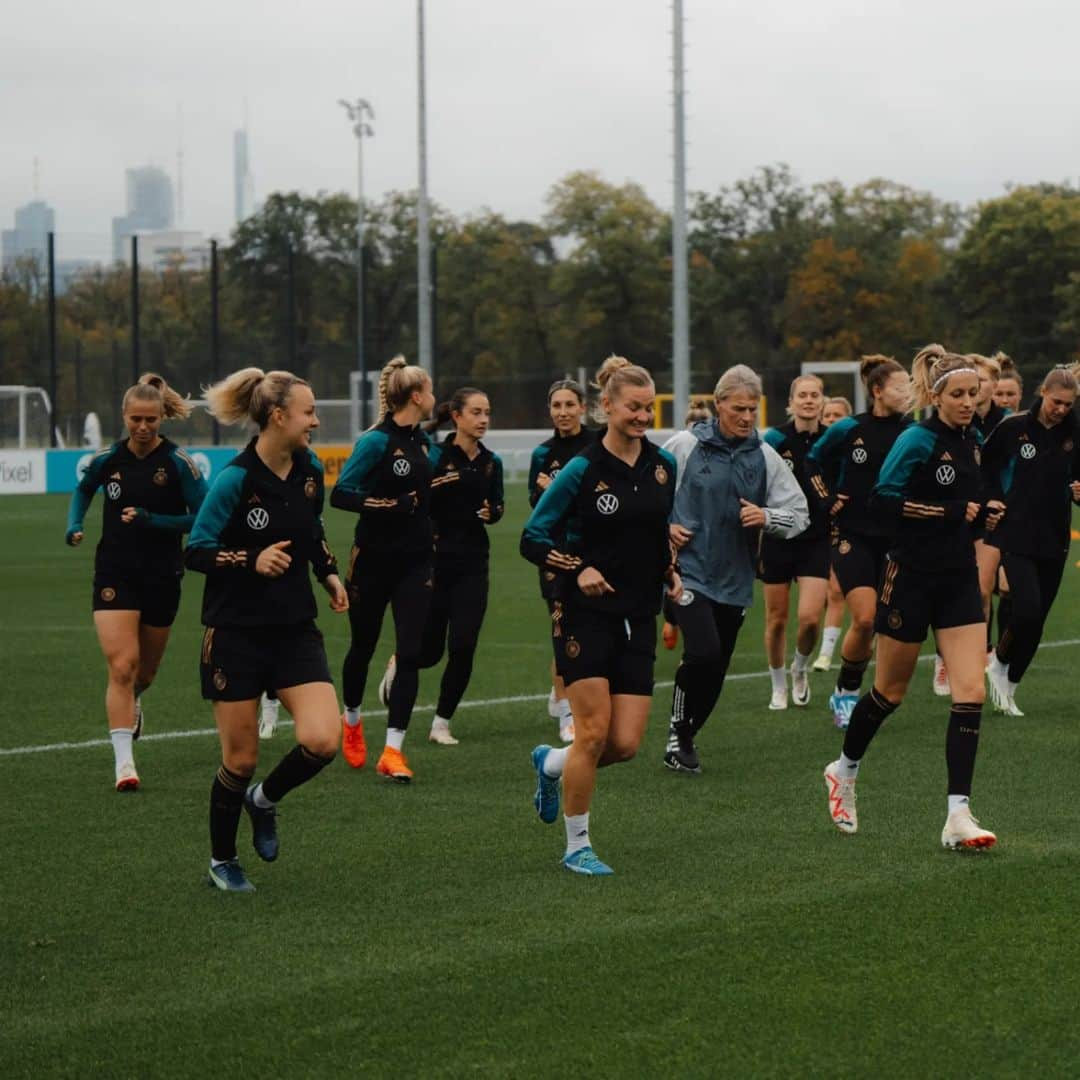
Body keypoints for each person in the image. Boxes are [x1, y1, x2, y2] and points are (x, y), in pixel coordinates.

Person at [823, 346, 1004, 850]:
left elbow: (969, 504)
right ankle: (843, 770)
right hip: (909, 579)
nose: (969, 402)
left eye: (973, 393)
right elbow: (884, 498)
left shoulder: (974, 441)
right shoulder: (917, 439)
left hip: (959, 581)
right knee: (889, 695)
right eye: (959, 394)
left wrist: (986, 512)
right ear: (937, 396)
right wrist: (949, 513)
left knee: (969, 695)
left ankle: (958, 816)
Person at [186, 368, 347, 892]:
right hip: (235, 633)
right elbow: (196, 550)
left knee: (323, 740)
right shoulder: (235, 479)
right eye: (309, 412)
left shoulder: (306, 470)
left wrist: (327, 573)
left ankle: (264, 800)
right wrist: (248, 560)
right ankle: (222, 860)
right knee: (241, 757)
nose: (316, 421)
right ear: (278, 417)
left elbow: (312, 529)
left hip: (294, 629)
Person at [521, 356, 681, 875]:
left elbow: (656, 530)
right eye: (633, 407)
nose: (642, 416)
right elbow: (533, 538)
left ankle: (550, 765)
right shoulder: (581, 469)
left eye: (648, 408)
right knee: (591, 734)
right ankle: (577, 846)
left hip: (639, 613)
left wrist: (669, 571)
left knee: (626, 745)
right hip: (584, 614)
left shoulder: (663, 466)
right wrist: (581, 567)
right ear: (606, 407)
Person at [661, 365, 809, 773]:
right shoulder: (684, 445)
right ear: (718, 403)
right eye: (738, 408)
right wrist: (665, 527)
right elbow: (649, 490)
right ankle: (678, 729)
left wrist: (766, 517)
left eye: (752, 410)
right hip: (688, 572)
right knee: (703, 651)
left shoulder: (764, 455)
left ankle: (686, 735)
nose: (746, 417)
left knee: (718, 666)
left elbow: (800, 514)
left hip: (736, 578)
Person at [65, 373, 206, 791]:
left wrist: (154, 521)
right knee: (121, 666)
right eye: (135, 419)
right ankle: (124, 764)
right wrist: (75, 524)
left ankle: (136, 699)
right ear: (123, 417)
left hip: (163, 573)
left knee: (145, 671)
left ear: (162, 416)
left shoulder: (179, 464)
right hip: (115, 571)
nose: (143, 427)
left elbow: (202, 516)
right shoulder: (108, 459)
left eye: (150, 419)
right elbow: (82, 491)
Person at [332, 356, 435, 782]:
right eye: (430, 390)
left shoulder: (424, 442)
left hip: (416, 562)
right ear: (415, 396)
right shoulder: (375, 442)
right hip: (372, 559)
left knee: (410, 653)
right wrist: (389, 505)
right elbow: (341, 494)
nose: (434, 397)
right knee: (364, 645)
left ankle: (393, 751)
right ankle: (352, 722)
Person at [806, 356, 912, 728]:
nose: (908, 394)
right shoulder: (849, 428)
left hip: (898, 539)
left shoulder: (913, 432)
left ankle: (878, 695)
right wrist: (826, 500)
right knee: (865, 618)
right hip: (852, 535)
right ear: (877, 391)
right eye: (901, 387)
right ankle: (845, 692)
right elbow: (812, 461)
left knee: (888, 623)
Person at [409, 388, 504, 745]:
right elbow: (421, 498)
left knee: (463, 645)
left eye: (487, 413)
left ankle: (441, 723)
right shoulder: (433, 456)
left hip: (474, 564)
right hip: (434, 562)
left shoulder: (492, 461)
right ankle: (399, 662)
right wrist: (453, 479)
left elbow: (497, 506)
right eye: (476, 412)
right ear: (457, 417)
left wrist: (491, 513)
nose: (483, 420)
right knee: (429, 651)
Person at [983, 366, 1080, 715]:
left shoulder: (1075, 430)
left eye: (1069, 404)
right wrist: (992, 500)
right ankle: (998, 662)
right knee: (1026, 610)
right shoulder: (1014, 428)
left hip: (1056, 536)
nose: (1062, 409)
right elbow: (985, 468)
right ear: (1042, 392)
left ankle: (1009, 686)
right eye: (1057, 402)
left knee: (1037, 621)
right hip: (1016, 532)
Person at [527, 379, 595, 744]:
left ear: (582, 407)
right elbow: (535, 508)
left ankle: (568, 692)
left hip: (595, 552)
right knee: (561, 626)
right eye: (557, 406)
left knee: (589, 627)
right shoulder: (542, 454)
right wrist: (542, 492)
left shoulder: (597, 444)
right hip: (555, 553)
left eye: (570, 404)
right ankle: (567, 712)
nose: (564, 412)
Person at [760, 374, 829, 709]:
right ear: (791, 402)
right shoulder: (774, 439)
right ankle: (777, 684)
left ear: (822, 401)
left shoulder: (832, 440)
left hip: (816, 539)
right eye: (802, 395)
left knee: (811, 618)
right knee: (776, 619)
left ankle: (799, 667)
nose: (808, 400)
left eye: (815, 395)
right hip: (777, 536)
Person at [661, 398, 713, 652]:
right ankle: (673, 621)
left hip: (708, 529)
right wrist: (668, 523)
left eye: (704, 423)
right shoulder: (677, 445)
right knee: (677, 576)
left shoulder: (718, 447)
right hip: (679, 525)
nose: (699, 429)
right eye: (695, 424)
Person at [812, 397, 853, 672]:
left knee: (838, 589)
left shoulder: (854, 450)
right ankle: (819, 652)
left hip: (847, 524)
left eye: (837, 415)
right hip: (817, 527)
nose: (831, 420)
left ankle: (828, 652)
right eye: (827, 415)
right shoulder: (816, 453)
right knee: (826, 594)